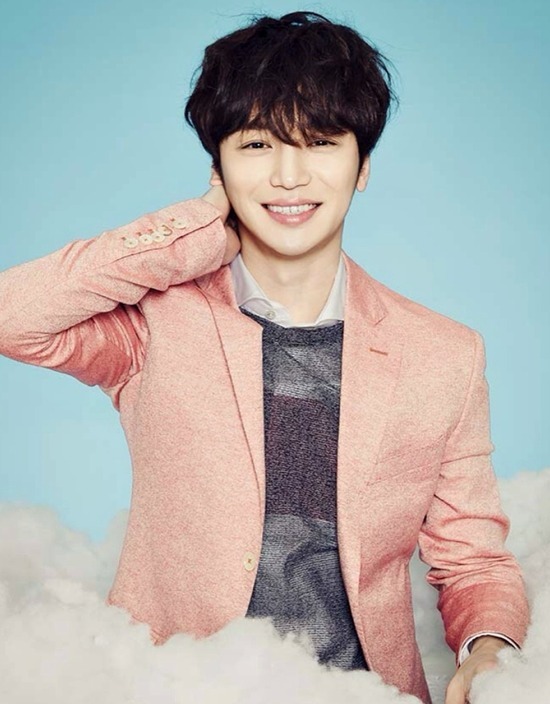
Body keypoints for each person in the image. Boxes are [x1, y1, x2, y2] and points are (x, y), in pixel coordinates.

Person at [0, 11, 529, 704]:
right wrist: (194, 231)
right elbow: (14, 316)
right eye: (256, 144)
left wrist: (490, 650)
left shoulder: (443, 355)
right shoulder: (155, 325)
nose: (288, 175)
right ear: (217, 167)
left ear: (363, 165)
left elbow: (474, 561)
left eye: (320, 142)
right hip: (178, 689)